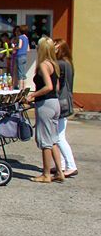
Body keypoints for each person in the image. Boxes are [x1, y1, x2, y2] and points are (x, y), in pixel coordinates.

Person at [27, 37, 64, 183]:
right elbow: (56, 87)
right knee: (53, 139)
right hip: (55, 103)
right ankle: (59, 172)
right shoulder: (54, 64)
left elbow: (48, 86)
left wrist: (33, 95)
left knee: (45, 141)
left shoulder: (43, 65)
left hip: (46, 104)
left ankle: (46, 174)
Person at [54, 39, 77, 178]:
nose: (53, 49)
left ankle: (70, 165)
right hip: (66, 100)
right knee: (59, 134)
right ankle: (61, 165)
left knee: (58, 137)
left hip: (60, 101)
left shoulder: (60, 64)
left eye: (55, 47)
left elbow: (57, 84)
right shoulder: (68, 63)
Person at [13, 25, 30, 89]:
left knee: (19, 73)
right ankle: (24, 88)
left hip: (19, 56)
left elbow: (19, 46)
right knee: (23, 73)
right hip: (24, 56)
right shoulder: (26, 38)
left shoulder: (21, 37)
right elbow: (28, 49)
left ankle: (20, 89)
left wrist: (14, 47)